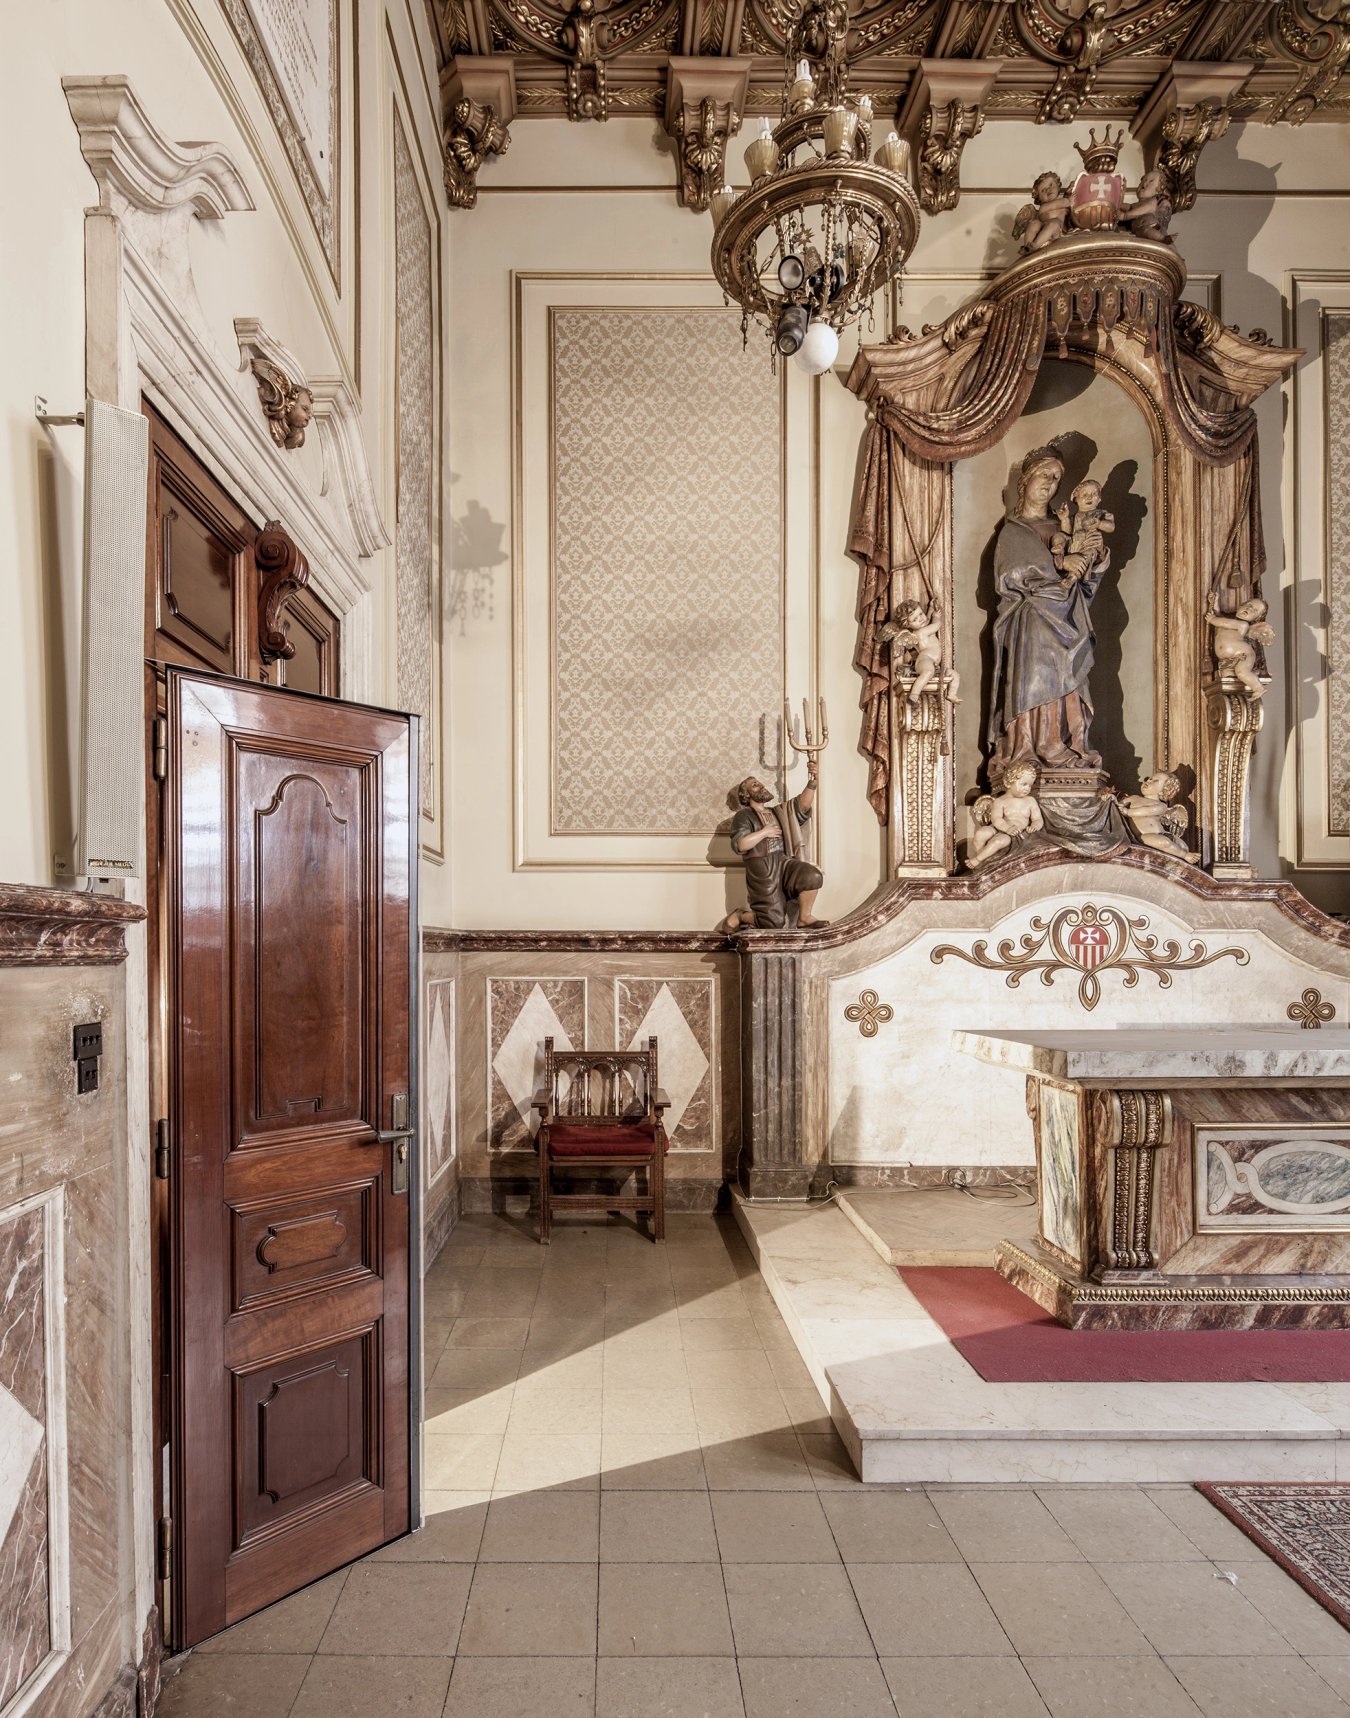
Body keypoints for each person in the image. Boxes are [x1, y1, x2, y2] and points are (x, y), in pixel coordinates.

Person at [988, 445, 1112, 782]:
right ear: (1026, 480)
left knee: (1071, 676)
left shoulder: (1065, 527)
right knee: (1034, 681)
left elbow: (1084, 585)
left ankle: (1064, 744)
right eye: (1044, 474)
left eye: (1056, 478)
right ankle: (1027, 748)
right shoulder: (1014, 530)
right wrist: (1059, 562)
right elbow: (1008, 575)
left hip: (1068, 615)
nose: (1050, 482)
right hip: (1031, 620)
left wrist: (1093, 559)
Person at [722, 767, 827, 931]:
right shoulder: (743, 816)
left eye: (760, 783)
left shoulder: (778, 812)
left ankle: (805, 917)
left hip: (783, 860)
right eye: (755, 785)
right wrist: (764, 833)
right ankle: (741, 915)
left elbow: (803, 806)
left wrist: (812, 782)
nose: (761, 786)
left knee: (812, 876)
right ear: (747, 796)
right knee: (772, 923)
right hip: (762, 867)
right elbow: (740, 844)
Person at [967, 763, 1044, 868]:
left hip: (1017, 834)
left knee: (999, 841)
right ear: (1008, 783)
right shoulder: (1000, 801)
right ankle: (982, 861)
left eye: (1030, 785)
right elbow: (996, 819)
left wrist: (1035, 826)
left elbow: (1038, 819)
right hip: (1002, 828)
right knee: (981, 833)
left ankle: (978, 860)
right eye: (1024, 784)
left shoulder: (1030, 801)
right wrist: (1007, 828)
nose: (1027, 788)